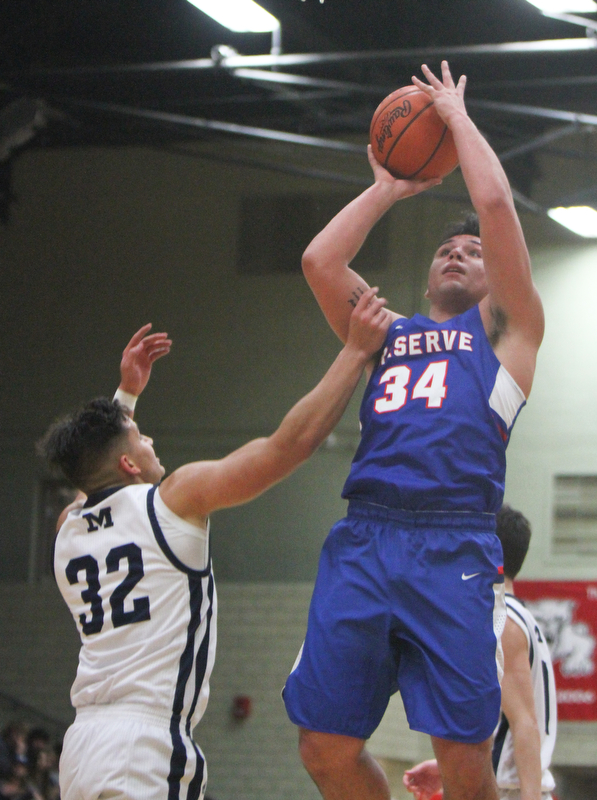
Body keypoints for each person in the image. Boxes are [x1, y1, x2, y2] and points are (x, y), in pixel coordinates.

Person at [282, 61, 545, 800]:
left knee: (463, 759)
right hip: (364, 537)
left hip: (451, 544)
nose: (457, 252)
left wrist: (454, 118)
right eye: (443, 251)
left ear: (498, 280)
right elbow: (319, 259)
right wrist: (386, 188)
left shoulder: (506, 334)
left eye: (470, 253)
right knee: (323, 746)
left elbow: (492, 205)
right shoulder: (382, 331)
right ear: (426, 280)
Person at [39, 288, 391, 800]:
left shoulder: (66, 530)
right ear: (130, 465)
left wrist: (125, 399)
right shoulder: (172, 500)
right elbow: (286, 448)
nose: (150, 440)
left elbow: (91, 473)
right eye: (140, 437)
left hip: (81, 747)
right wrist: (355, 351)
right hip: (146, 745)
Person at [403, 505, 558, 800]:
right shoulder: (520, 616)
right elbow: (506, 724)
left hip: (514, 792)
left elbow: (524, 723)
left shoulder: (505, 622)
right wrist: (448, 766)